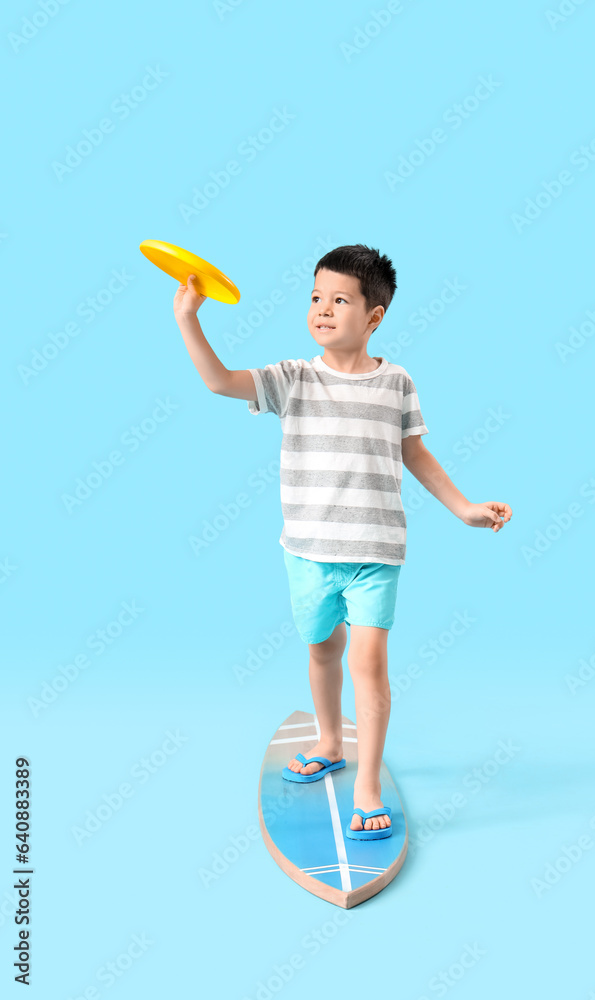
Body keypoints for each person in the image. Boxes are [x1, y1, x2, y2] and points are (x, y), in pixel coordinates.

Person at [174, 243, 512, 840]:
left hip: (376, 555)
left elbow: (415, 454)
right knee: (322, 652)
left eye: (339, 300)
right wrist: (189, 318)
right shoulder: (293, 379)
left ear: (374, 316)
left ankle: (368, 786)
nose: (322, 310)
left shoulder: (397, 382)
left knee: (370, 665)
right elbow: (218, 381)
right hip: (306, 552)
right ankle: (331, 740)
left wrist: (464, 508)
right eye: (315, 298)